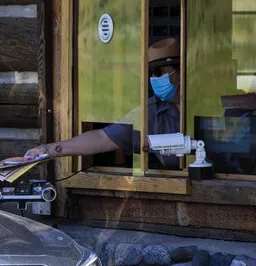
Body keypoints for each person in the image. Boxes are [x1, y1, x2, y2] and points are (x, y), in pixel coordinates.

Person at [12, 37, 182, 170]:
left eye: (159, 71)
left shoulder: (205, 107)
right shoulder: (151, 112)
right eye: (151, 72)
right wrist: (47, 150)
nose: (154, 78)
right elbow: (102, 137)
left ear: (181, 71)